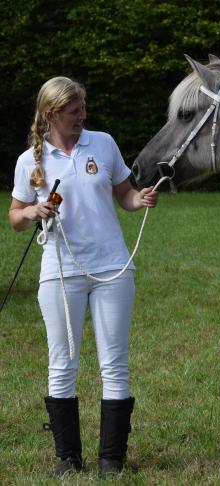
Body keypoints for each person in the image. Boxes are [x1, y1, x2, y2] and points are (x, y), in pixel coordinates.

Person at [7, 76, 158, 476]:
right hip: (60, 272)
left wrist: (138, 199)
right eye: (75, 111)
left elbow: (124, 195)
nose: (82, 116)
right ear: (52, 114)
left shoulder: (103, 144)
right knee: (62, 364)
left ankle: (112, 460)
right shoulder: (30, 162)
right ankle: (68, 460)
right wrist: (31, 213)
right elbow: (14, 217)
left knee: (115, 364)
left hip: (112, 269)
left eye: (84, 109)